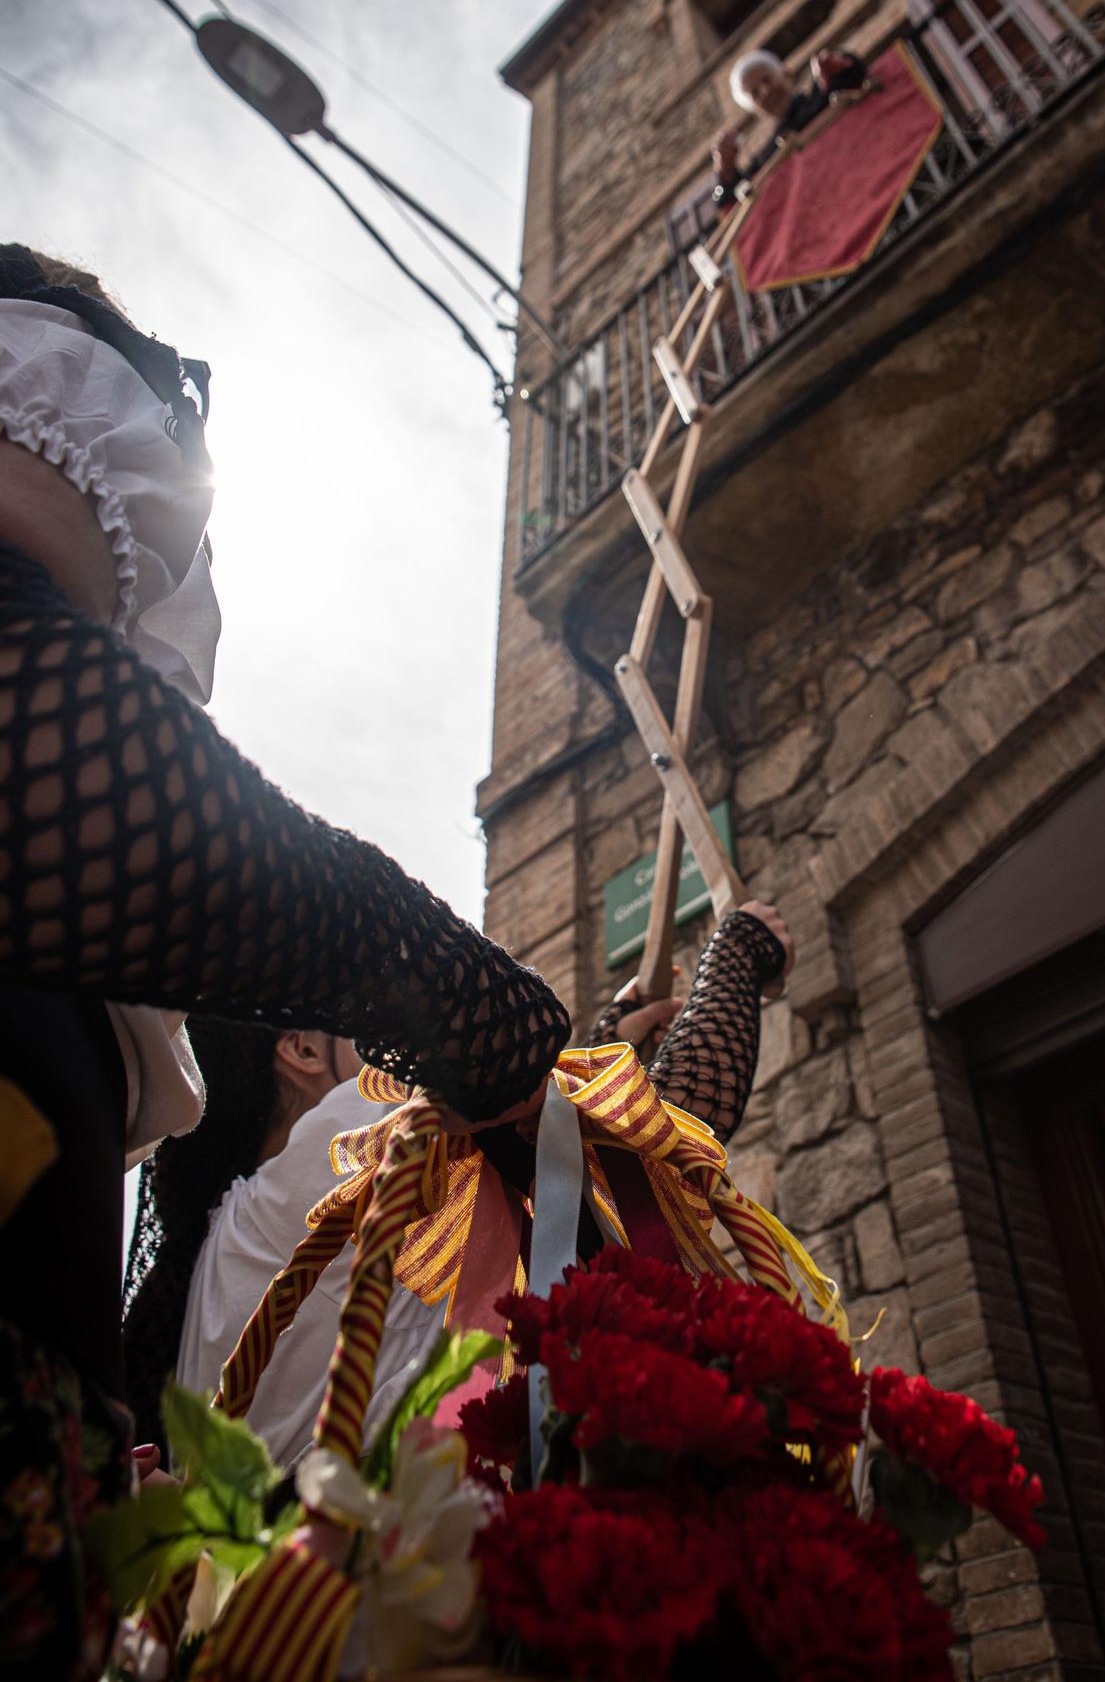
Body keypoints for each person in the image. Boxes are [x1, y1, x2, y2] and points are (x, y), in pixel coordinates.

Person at [0, 243, 791, 1678]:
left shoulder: (177, 1283)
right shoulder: (336, 1178)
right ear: (302, 1050)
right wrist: (722, 965)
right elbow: (637, 1156)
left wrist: (580, 1058)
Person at [131, 909, 790, 1469]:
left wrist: (604, 1044)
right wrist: (736, 955)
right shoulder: (341, 1139)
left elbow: (536, 1163)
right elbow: (655, 1137)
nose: (382, 1049)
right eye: (351, 1026)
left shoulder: (238, 1229)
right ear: (301, 1050)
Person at [712, 44, 868, 209]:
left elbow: (854, 76)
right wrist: (725, 174)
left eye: (766, 79)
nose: (765, 92)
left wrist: (840, 63)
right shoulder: (767, 157)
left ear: (787, 74)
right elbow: (735, 203)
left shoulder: (824, 91)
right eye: (755, 93)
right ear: (755, 110)